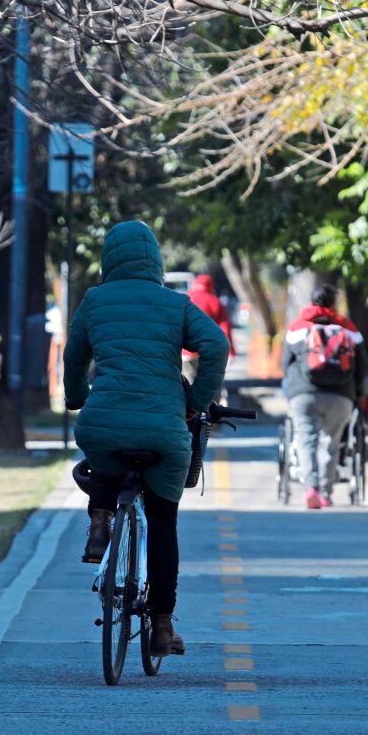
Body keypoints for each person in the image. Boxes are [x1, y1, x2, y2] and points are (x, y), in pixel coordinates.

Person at [65, 221, 230, 657]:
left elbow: (74, 357)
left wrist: (76, 398)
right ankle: (161, 626)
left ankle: (99, 524)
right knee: (162, 522)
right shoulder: (175, 304)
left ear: (109, 259)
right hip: (163, 430)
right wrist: (195, 401)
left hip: (103, 421)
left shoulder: (95, 301)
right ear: (155, 261)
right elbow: (215, 345)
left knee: (103, 453)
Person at [281, 282, 366, 509]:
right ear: (334, 303)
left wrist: (292, 388)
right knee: (331, 442)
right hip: (341, 396)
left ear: (312, 301)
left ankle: (311, 488)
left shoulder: (297, 328)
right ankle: (326, 493)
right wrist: (357, 393)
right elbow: (362, 366)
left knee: (306, 439)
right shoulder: (349, 329)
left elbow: (285, 364)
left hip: (304, 394)